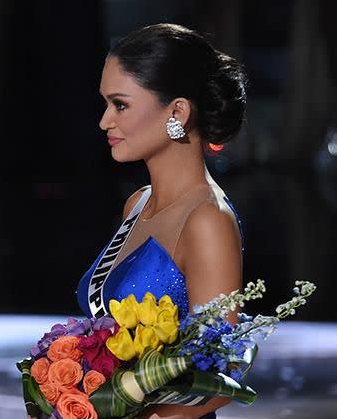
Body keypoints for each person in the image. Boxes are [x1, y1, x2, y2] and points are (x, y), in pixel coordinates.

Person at [77, 23, 247, 418]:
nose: (105, 121)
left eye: (120, 105)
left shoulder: (207, 220)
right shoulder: (137, 204)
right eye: (106, 104)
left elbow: (224, 374)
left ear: (177, 112)